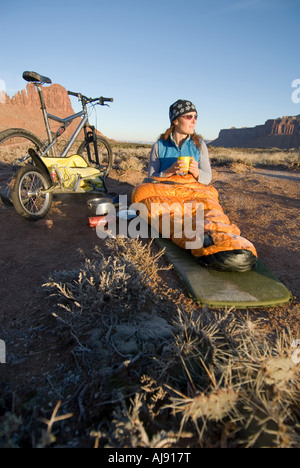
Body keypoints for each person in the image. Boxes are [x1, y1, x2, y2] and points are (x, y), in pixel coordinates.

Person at [148, 99, 212, 185]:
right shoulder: (159, 146)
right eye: (189, 117)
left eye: (195, 117)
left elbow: (208, 178)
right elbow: (150, 178)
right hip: (165, 194)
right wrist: (168, 171)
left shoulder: (199, 145)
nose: (194, 122)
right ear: (176, 121)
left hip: (191, 194)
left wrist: (197, 172)